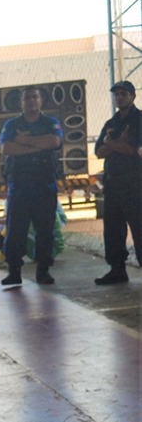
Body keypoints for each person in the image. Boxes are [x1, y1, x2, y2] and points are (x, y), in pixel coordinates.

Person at [0, 87, 63, 288]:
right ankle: (14, 271)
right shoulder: (12, 124)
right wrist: (38, 145)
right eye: (27, 98)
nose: (31, 101)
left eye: (35, 97)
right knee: (15, 231)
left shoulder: (50, 122)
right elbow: (7, 148)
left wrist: (25, 141)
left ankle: (43, 271)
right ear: (21, 103)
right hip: (20, 186)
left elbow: (54, 141)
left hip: (45, 185)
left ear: (41, 100)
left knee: (45, 231)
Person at [93, 80, 141, 285]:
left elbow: (133, 150)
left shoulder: (139, 120)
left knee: (139, 228)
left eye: (123, 94)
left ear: (133, 96)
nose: (119, 98)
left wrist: (110, 143)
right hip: (112, 185)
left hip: (134, 184)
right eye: (116, 95)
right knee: (112, 229)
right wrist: (117, 143)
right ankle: (117, 269)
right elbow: (98, 152)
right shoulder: (110, 123)